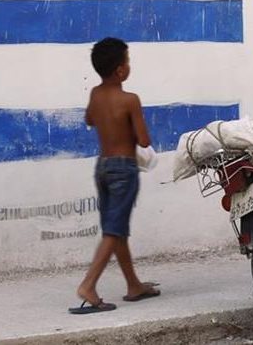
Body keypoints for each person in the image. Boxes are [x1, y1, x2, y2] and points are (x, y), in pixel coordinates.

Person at [69, 37, 160, 315]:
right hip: (124, 169)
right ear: (120, 70)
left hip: (103, 167)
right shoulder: (130, 100)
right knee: (114, 230)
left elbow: (89, 119)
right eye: (128, 61)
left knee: (115, 228)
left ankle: (133, 285)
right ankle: (88, 285)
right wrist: (128, 127)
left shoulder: (96, 95)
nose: (129, 65)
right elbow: (144, 140)